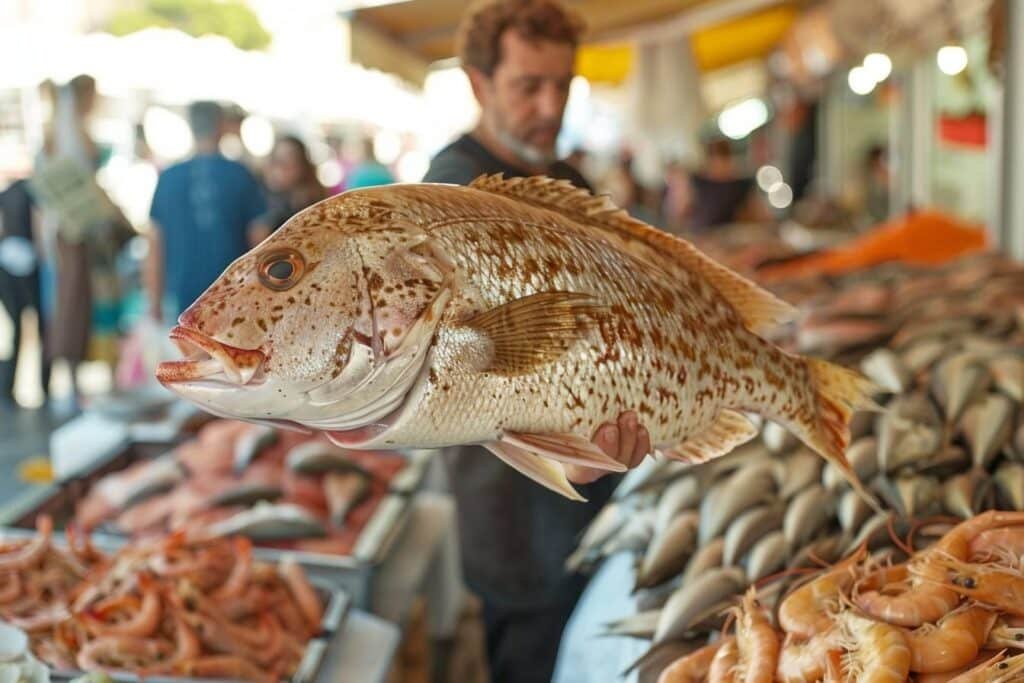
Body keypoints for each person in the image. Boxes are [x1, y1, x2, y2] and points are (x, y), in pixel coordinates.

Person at [422, 2, 649, 680]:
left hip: (591, 494)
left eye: (563, 84)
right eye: (528, 86)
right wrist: (562, 452)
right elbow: (458, 370)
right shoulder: (450, 191)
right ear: (478, 83)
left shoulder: (567, 180)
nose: (550, 105)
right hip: (515, 517)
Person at [146, 101, 267, 322]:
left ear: (190, 127)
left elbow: (155, 245)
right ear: (222, 126)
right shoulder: (241, 175)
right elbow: (260, 240)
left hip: (183, 297)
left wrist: (154, 301)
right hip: (232, 296)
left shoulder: (169, 178)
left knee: (188, 355)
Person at [0, 178, 48, 409]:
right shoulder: (31, 193)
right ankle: (44, 388)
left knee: (17, 331)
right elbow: (39, 227)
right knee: (41, 328)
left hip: (8, 262)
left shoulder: (9, 193)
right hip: (27, 262)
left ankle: (7, 389)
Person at [250, 135, 327, 243]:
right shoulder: (259, 193)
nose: (279, 169)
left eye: (287, 163)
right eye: (276, 161)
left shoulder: (310, 202)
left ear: (302, 167)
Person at [687, 138, 770, 231]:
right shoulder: (699, 183)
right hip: (704, 235)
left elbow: (760, 214)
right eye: (715, 160)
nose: (719, 166)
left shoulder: (741, 185)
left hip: (733, 236)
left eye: (723, 160)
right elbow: (685, 210)